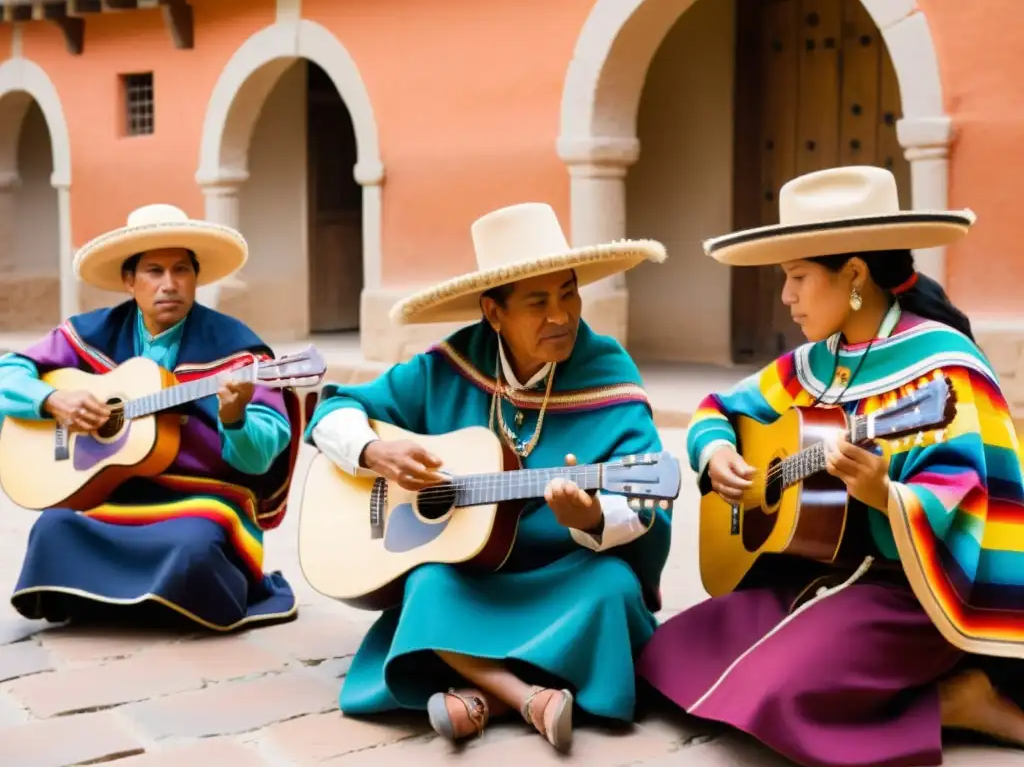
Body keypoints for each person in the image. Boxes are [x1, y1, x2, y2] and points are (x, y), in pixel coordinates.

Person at [636, 165, 1024, 767]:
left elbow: (968, 497)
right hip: (818, 576)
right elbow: (718, 409)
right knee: (667, 654)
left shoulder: (944, 366)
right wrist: (716, 454)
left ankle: (965, 702)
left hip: (911, 595)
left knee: (781, 695)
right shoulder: (814, 362)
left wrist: (884, 495)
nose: (785, 296)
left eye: (796, 277)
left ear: (854, 276)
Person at [305, 202, 671, 751]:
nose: (562, 316)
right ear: (493, 312)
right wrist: (375, 450)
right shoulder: (449, 364)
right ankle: (531, 698)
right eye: (538, 302)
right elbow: (332, 412)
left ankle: (486, 697)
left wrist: (593, 516)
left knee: (614, 589)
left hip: (563, 574)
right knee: (425, 583)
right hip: (469, 575)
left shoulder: (607, 369)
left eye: (568, 293)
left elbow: (650, 505)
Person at [3, 204, 302, 632]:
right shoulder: (89, 333)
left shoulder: (239, 350)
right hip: (111, 491)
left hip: (200, 500)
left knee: (195, 546)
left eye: (181, 270)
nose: (169, 285)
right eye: (154, 271)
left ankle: (118, 598)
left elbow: (259, 460)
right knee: (53, 528)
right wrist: (53, 400)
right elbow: (7, 374)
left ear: (195, 279)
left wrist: (234, 419)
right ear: (129, 281)